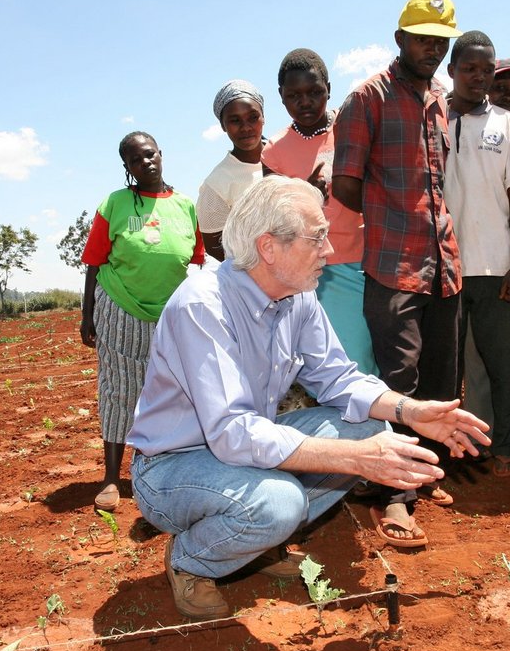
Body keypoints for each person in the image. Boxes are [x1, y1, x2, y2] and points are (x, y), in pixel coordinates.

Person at [128, 176, 490, 619]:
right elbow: (234, 433)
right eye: (317, 237)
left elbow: (339, 378)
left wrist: (411, 411)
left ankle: (255, 545)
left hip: (236, 450)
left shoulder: (297, 296)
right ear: (268, 247)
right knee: (282, 502)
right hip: (172, 468)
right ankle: (191, 560)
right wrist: (354, 459)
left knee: (369, 427)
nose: (330, 250)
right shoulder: (203, 306)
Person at [332, 0, 462, 541]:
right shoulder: (368, 98)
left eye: (440, 41)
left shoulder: (440, 98)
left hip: (444, 262)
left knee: (439, 377)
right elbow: (345, 184)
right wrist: (393, 215)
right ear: (400, 38)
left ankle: (425, 472)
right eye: (422, 38)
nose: (431, 48)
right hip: (391, 262)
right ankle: (394, 496)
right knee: (397, 382)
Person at [79, 131, 205, 510]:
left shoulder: (185, 206)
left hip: (170, 313)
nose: (145, 163)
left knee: (174, 389)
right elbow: (94, 263)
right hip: (120, 307)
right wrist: (87, 314)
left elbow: (196, 261)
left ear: (161, 154)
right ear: (127, 167)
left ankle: (167, 466)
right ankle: (112, 478)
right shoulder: (114, 204)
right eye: (135, 160)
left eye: (149, 155)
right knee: (120, 387)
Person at [443, 36, 510, 477]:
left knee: (506, 365)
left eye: (486, 69)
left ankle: (508, 444)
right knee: (453, 369)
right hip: (443, 266)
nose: (478, 77)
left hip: (497, 264)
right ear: (452, 70)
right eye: (469, 68)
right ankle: (461, 446)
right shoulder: (432, 120)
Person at [262, 48, 377, 374]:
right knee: (340, 363)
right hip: (312, 270)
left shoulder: (351, 128)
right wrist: (305, 196)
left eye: (314, 92)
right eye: (294, 95)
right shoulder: (273, 152)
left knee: (369, 357)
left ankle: (378, 422)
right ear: (281, 98)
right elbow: (274, 215)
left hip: (365, 260)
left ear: (328, 87)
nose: (306, 102)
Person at [197, 80, 266, 261]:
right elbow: (215, 249)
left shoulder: (284, 156)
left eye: (253, 117)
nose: (246, 127)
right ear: (223, 125)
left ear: (263, 116)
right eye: (235, 120)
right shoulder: (216, 185)